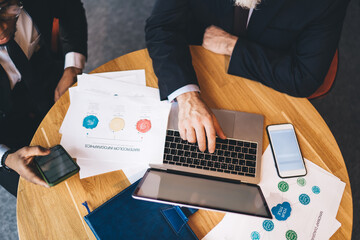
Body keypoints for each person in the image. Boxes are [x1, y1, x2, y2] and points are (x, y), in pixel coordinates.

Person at [145, 0, 349, 153]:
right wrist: (187, 96)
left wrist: (232, 46)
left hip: (267, 82)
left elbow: (304, 78)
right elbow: (162, 26)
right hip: (196, 62)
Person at [0, 0, 87, 196]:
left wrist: (72, 66)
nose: (2, 28)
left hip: (49, 75)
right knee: (42, 195)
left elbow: (70, 9)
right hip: (5, 130)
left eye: (5, 9)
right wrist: (6, 157)